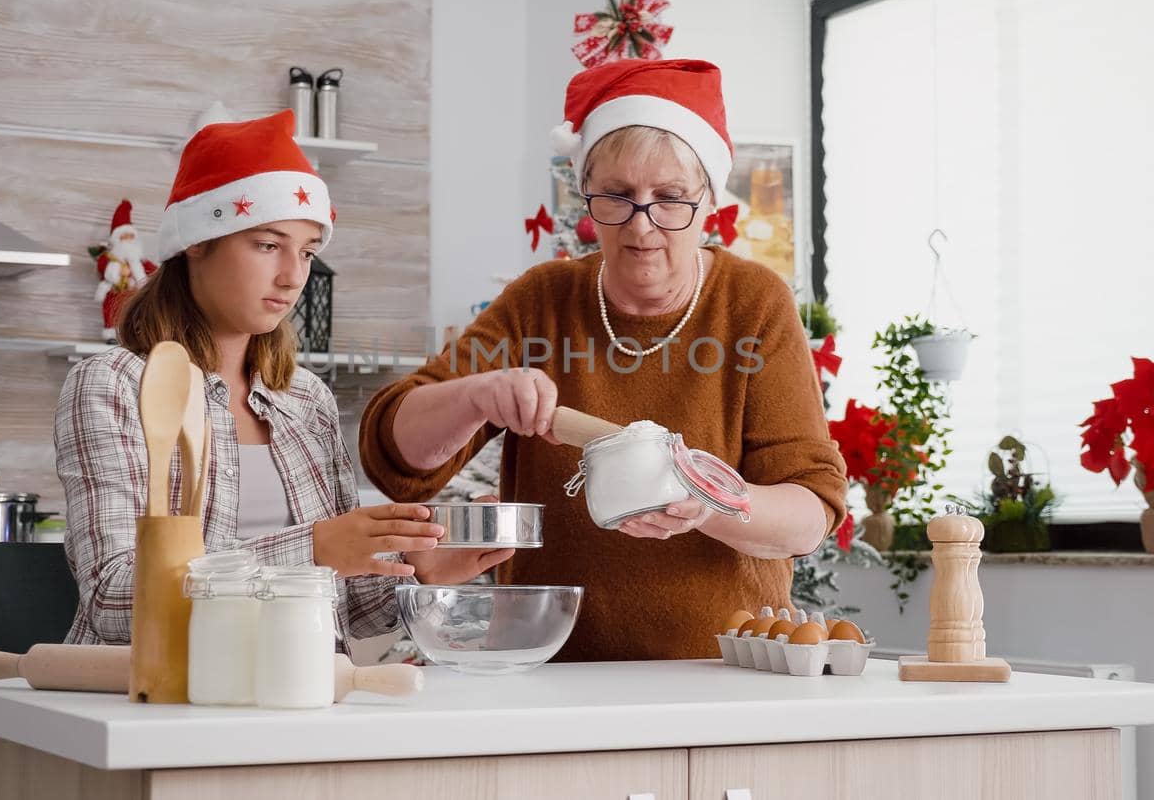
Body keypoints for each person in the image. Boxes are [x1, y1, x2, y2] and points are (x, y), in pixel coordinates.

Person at [360, 59, 848, 661]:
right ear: (587, 196)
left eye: (669, 199)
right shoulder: (542, 301)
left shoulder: (753, 306)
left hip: (717, 671)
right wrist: (473, 394)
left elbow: (810, 512)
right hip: (546, 665)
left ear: (708, 200)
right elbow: (397, 456)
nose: (642, 226)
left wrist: (707, 505)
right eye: (617, 197)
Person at [55, 110, 507, 645]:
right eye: (268, 245)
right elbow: (113, 599)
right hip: (160, 707)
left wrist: (422, 565)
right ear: (197, 242)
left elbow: (347, 610)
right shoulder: (114, 385)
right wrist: (314, 549)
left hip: (296, 694)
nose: (293, 276)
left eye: (308, 252)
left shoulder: (304, 398)